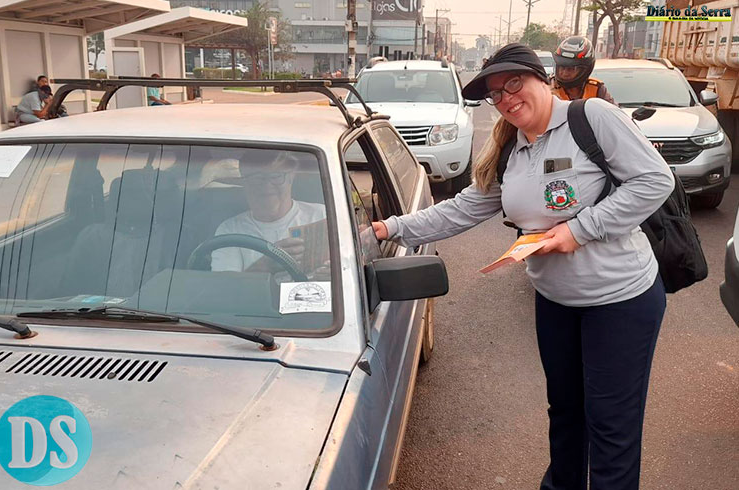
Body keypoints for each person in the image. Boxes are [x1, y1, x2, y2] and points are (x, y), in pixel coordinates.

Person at [372, 43, 674, 490]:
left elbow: (655, 180)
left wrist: (580, 229)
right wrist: (390, 228)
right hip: (555, 301)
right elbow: (462, 209)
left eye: (515, 83)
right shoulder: (512, 149)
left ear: (543, 77)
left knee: (611, 424)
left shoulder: (591, 118)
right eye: (496, 94)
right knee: (566, 412)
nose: (507, 98)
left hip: (620, 300)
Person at [210, 152, 326, 274]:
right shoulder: (230, 230)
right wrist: (264, 266)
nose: (267, 185)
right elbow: (224, 287)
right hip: (255, 294)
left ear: (291, 178)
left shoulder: (323, 216)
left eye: (276, 177)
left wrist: (331, 274)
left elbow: (346, 267)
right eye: (257, 178)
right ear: (244, 182)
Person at [551, 36, 616, 105]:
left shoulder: (597, 90)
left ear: (585, 70)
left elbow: (614, 112)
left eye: (571, 69)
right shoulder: (548, 87)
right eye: (562, 68)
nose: (564, 73)